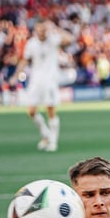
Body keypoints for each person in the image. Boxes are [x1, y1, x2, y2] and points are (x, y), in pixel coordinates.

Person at [22, 20, 74, 152]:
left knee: (50, 110)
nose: (41, 33)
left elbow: (70, 39)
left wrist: (56, 28)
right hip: (35, 81)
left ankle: (53, 142)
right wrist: (15, 75)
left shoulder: (53, 39)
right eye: (38, 30)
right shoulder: (31, 43)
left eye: (43, 30)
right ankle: (46, 134)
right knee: (31, 111)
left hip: (50, 81)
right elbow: (25, 60)